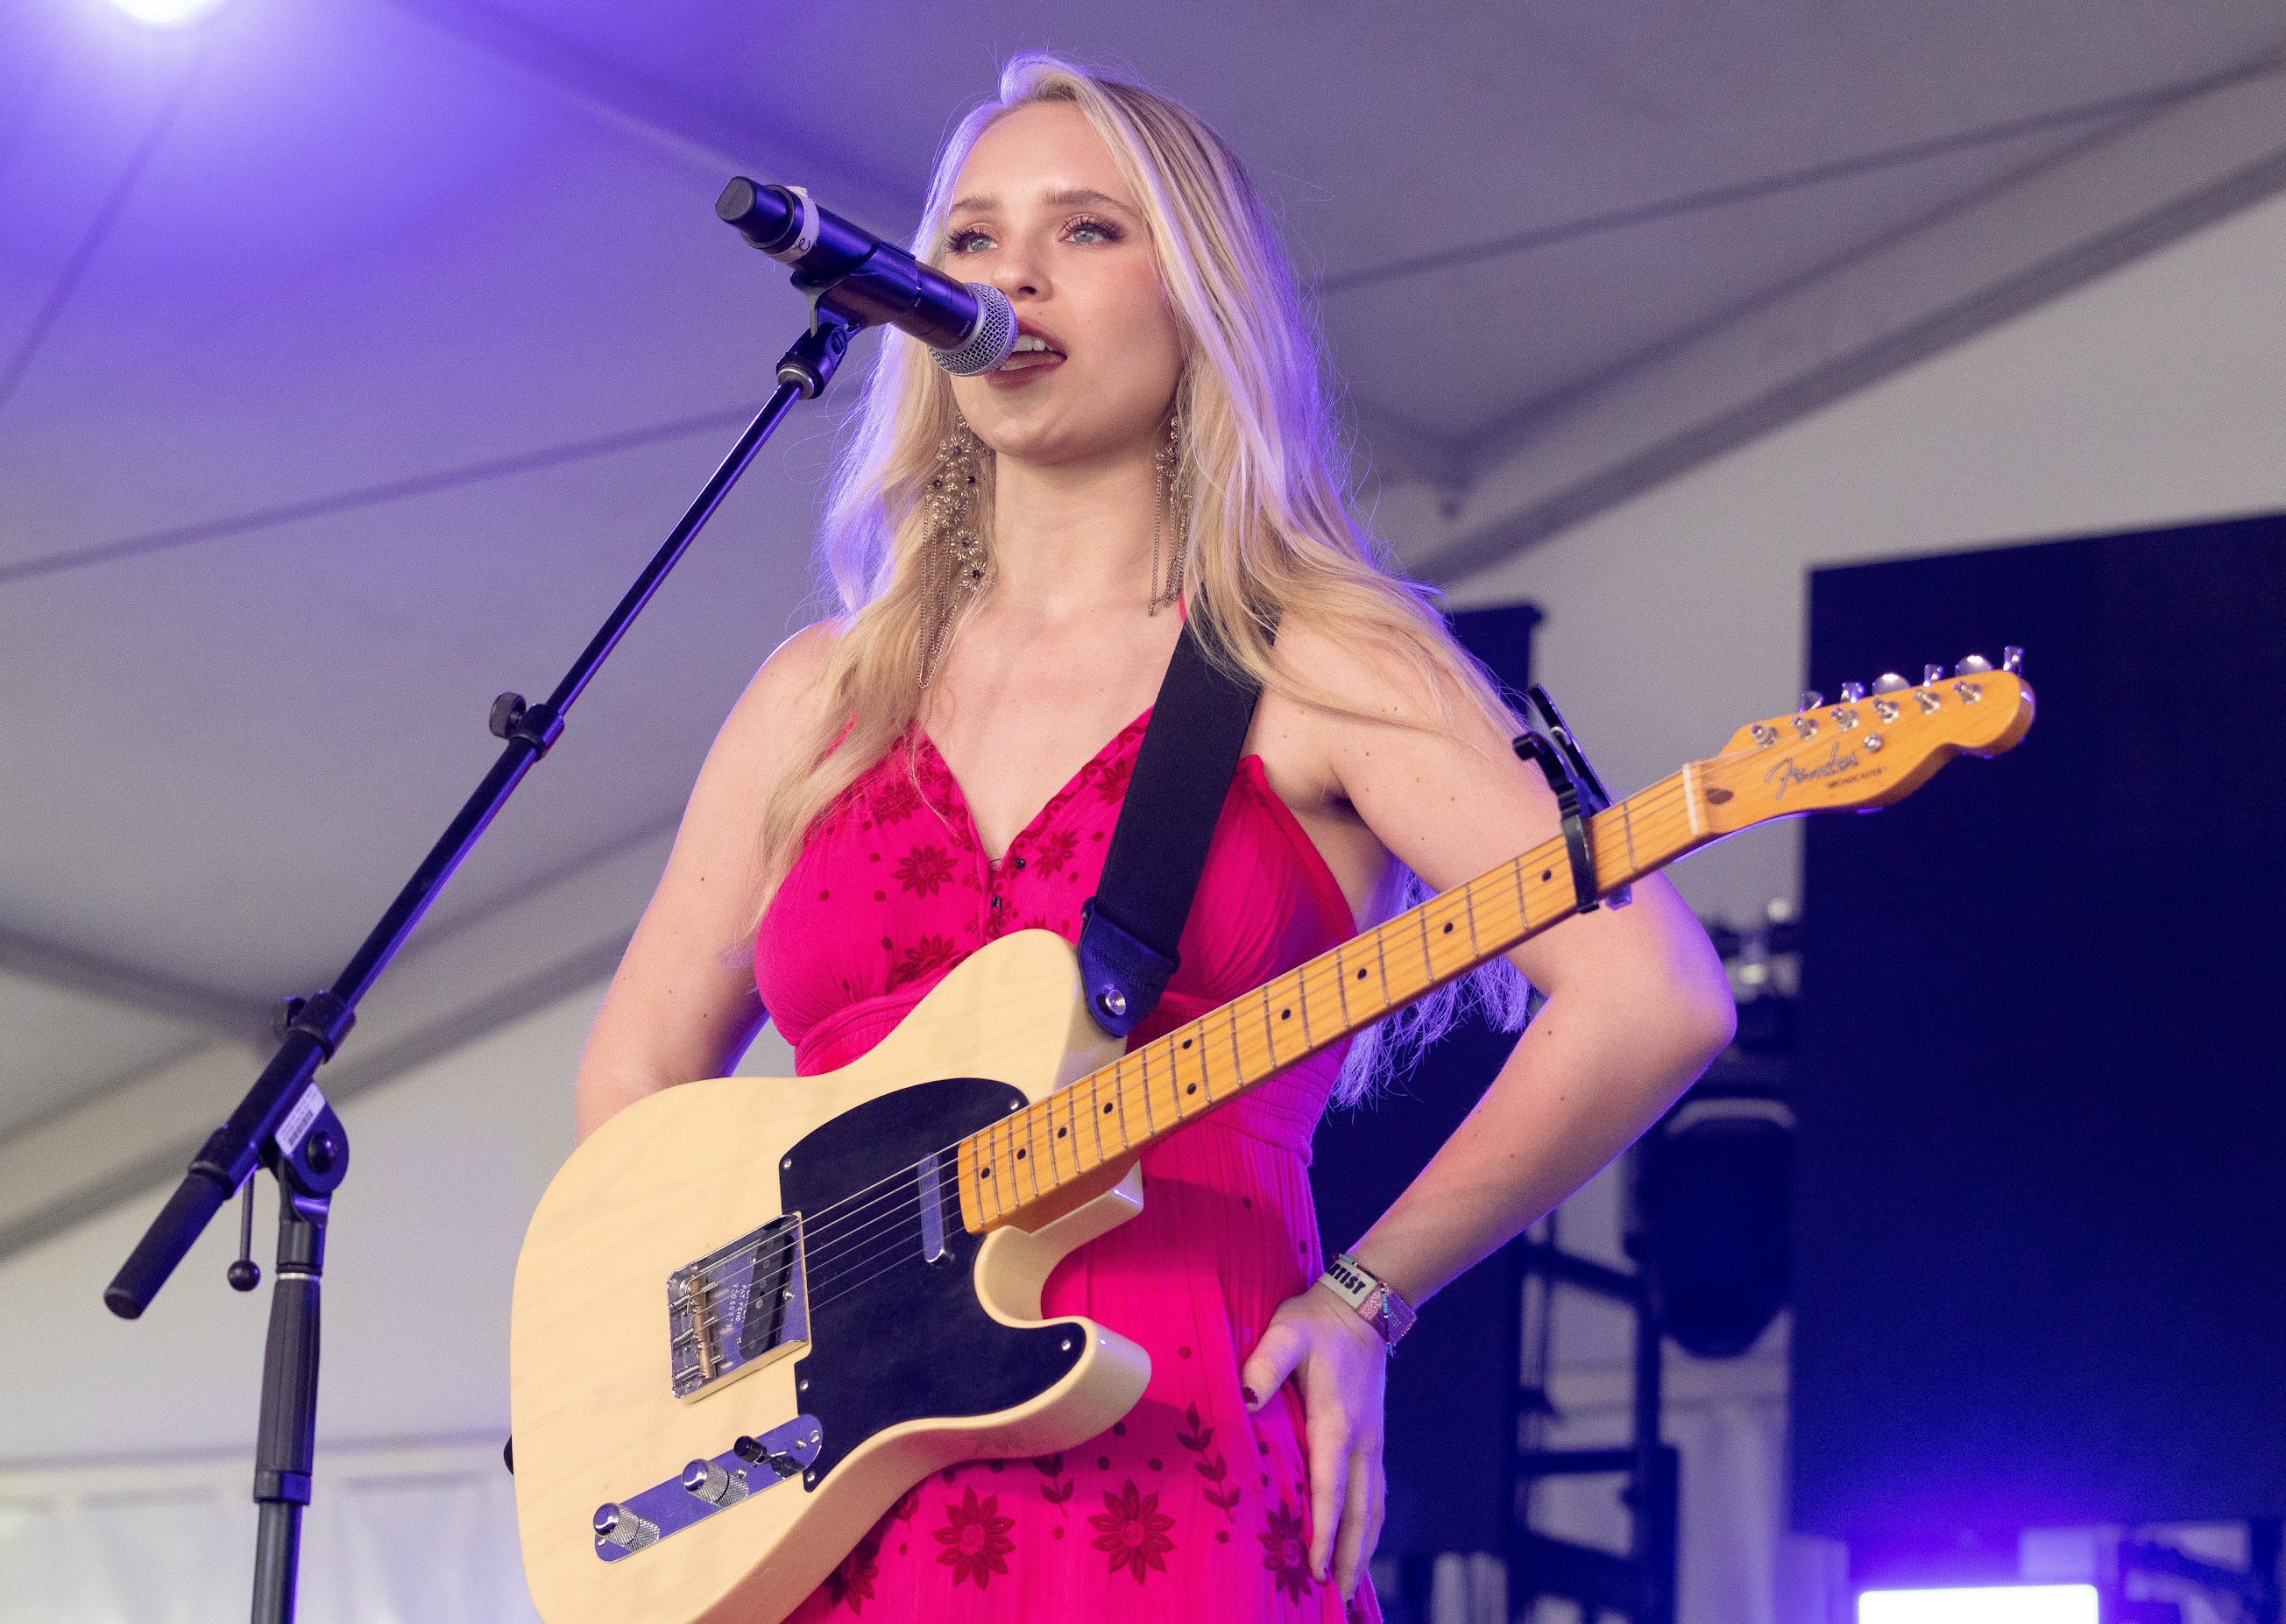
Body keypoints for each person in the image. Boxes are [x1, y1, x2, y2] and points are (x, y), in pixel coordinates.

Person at [574, 53, 1734, 1624]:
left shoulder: (1316, 657)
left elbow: (1651, 988)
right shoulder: (815, 697)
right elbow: (633, 1076)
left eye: (1087, 230)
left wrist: (1364, 1302)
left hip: (1161, 1454)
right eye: (969, 238)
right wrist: (715, 1341)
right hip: (808, 1484)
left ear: (1199, 305)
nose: (1006, 275)